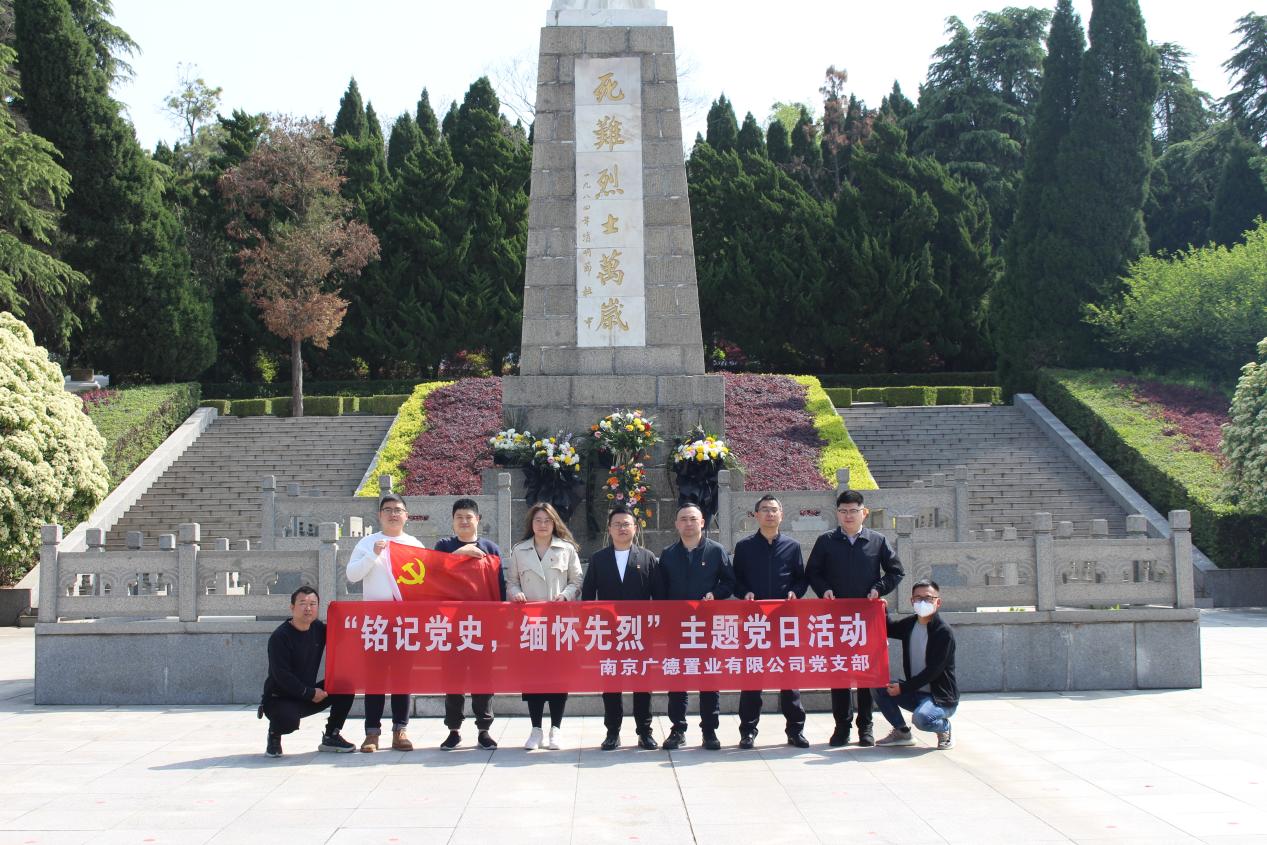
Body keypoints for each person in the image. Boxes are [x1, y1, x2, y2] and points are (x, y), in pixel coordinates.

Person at [805, 489, 904, 747]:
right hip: (835, 618)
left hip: (866, 619)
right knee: (839, 673)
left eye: (853, 511)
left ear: (864, 513)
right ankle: (842, 727)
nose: (848, 516)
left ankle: (865, 728)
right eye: (843, 511)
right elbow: (813, 572)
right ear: (837, 514)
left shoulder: (877, 540)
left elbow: (896, 571)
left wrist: (878, 589)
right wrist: (823, 589)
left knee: (864, 674)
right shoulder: (826, 541)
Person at [345, 493, 423, 753]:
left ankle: (400, 730)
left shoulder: (414, 544)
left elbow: (424, 582)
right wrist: (372, 556)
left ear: (406, 515)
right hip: (376, 621)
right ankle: (372, 733)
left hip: (404, 621)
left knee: (403, 677)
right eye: (387, 509)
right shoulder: (368, 543)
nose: (393, 514)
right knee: (375, 678)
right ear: (379, 515)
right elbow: (352, 575)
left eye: (398, 509)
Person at [732, 495, 810, 749]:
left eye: (773, 510)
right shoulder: (744, 547)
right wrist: (745, 593)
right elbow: (736, 580)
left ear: (781, 514)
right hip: (754, 623)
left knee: (789, 678)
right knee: (753, 678)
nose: (769, 514)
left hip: (784, 623)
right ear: (755, 515)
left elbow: (801, 579)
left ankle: (795, 730)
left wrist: (794, 593)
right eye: (764, 510)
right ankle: (748, 731)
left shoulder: (792, 546)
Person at [582, 505, 661, 751]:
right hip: (609, 631)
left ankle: (644, 732)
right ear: (609, 529)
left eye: (626, 524)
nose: (622, 528)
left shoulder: (647, 557)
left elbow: (658, 597)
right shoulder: (598, 559)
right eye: (617, 524)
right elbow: (587, 597)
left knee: (642, 684)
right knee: (611, 683)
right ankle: (612, 732)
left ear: (635, 528)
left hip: (639, 632)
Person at [658, 502, 736, 751]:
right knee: (677, 679)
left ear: (702, 522)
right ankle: (678, 729)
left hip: (708, 626)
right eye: (683, 519)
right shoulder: (668, 554)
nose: (688, 524)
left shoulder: (716, 551)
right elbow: (660, 591)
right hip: (677, 627)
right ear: (676, 524)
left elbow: (729, 582)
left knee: (709, 678)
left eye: (693, 519)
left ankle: (710, 731)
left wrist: (716, 594)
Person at [507, 502, 583, 751]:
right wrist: (516, 594)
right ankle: (536, 728)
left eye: (547, 520)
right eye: (538, 520)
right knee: (533, 678)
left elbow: (576, 580)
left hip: (559, 624)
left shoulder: (566, 549)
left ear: (554, 523)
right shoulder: (520, 550)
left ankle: (556, 729)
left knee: (558, 678)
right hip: (530, 625)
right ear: (531, 523)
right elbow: (511, 582)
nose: (542, 525)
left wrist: (566, 595)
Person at [432, 497, 505, 751]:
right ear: (452, 522)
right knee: (452, 679)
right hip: (451, 626)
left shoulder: (491, 549)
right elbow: (432, 575)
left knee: (483, 680)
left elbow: (501, 587)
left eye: (469, 517)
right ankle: (454, 730)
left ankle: (484, 730)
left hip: (482, 627)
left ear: (478, 520)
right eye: (459, 517)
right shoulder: (443, 546)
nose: (464, 521)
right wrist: (458, 554)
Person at [259, 586, 356, 757]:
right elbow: (281, 675)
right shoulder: (280, 637)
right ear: (292, 607)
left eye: (313, 604)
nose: (308, 608)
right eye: (302, 603)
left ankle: (331, 735)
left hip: (307, 695)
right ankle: (274, 734)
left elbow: (343, 634)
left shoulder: (317, 628)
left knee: (345, 685)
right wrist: (309, 692)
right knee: (287, 721)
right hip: (279, 698)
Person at [874, 580, 958, 750]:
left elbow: (933, 671)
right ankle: (902, 732)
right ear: (912, 601)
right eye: (918, 598)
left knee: (922, 719)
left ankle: (944, 727)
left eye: (928, 598)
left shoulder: (943, 632)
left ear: (938, 601)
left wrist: (903, 688)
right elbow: (888, 628)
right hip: (915, 692)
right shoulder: (910, 624)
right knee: (878, 686)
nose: (922, 602)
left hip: (939, 698)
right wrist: (882, 608)